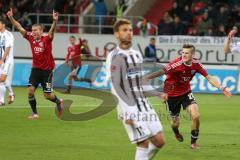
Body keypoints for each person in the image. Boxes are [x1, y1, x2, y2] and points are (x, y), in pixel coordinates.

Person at [147, 44, 232, 149]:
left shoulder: (196, 64)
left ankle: (193, 142)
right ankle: (176, 132)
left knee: (196, 116)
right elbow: (161, 71)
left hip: (186, 93)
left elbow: (208, 77)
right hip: (171, 96)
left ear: (192, 54)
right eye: (182, 52)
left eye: (186, 53)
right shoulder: (175, 64)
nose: (183, 55)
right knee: (175, 122)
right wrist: (147, 77)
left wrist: (221, 87)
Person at [106, 19, 167, 160]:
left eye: (130, 30)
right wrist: (127, 112)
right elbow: (116, 86)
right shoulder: (114, 56)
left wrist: (157, 93)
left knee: (159, 141)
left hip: (143, 105)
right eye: (124, 30)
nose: (129, 33)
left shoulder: (136, 54)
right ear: (116, 34)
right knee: (143, 143)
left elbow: (140, 82)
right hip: (129, 107)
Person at [7, 8, 62, 119]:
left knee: (47, 95)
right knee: (30, 91)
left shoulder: (47, 39)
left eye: (36, 30)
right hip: (36, 69)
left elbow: (51, 31)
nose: (34, 32)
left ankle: (58, 101)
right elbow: (19, 27)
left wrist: (55, 21)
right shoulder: (30, 37)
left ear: (41, 31)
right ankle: (35, 113)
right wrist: (11, 17)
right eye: (33, 30)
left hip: (47, 71)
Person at [0, 19, 15, 105]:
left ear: (3, 25)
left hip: (7, 61)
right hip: (1, 61)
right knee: (2, 81)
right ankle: (10, 93)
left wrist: (2, 60)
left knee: (2, 79)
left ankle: (2, 100)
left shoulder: (9, 35)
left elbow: (7, 49)